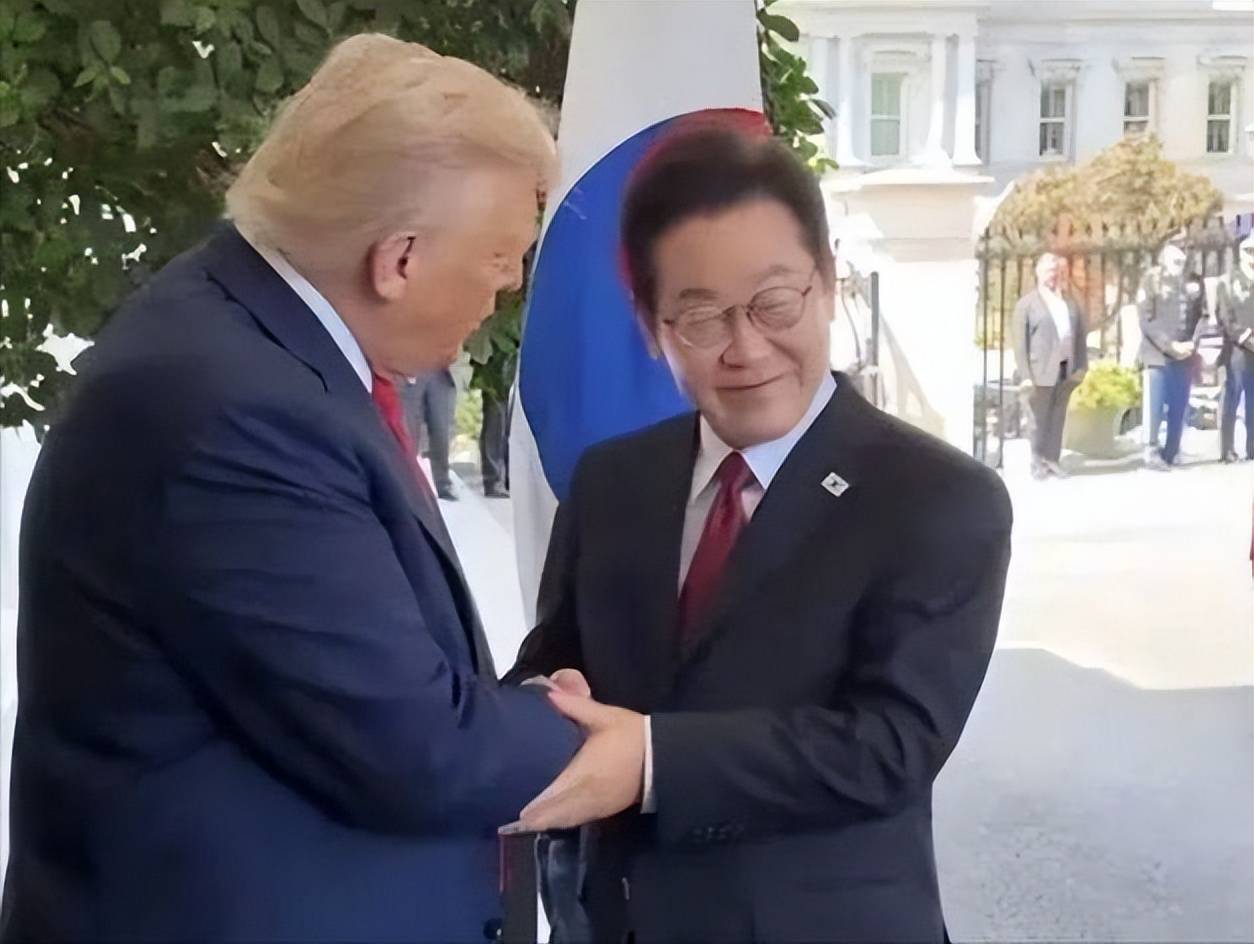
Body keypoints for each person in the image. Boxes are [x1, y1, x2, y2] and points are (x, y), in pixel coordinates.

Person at [0, 35, 582, 943]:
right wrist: (590, 731)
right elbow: (414, 746)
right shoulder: (234, 411)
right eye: (503, 257)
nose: (508, 287)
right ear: (398, 259)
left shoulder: (251, 345)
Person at [503, 125, 1013, 944]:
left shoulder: (939, 499)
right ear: (650, 325)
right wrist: (541, 704)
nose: (746, 348)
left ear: (828, 284)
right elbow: (555, 656)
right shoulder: (612, 481)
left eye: (775, 304)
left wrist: (653, 760)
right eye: (701, 317)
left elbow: (890, 746)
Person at [1011, 253, 1089, 479]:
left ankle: (1052, 459)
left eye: (1056, 271)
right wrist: (1026, 375)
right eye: (1048, 271)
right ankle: (1037, 460)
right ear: (1038, 273)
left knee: (1057, 416)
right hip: (1040, 370)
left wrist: (1082, 366)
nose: (1053, 275)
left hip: (1066, 368)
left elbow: (1079, 337)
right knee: (1038, 419)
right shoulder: (1027, 304)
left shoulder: (1069, 303)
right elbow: (1020, 344)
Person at [1138, 241, 1200, 470]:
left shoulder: (1194, 281)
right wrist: (1169, 345)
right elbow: (1146, 319)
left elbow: (1201, 315)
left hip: (1185, 353)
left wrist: (1193, 343)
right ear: (1164, 259)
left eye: (1184, 260)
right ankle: (1151, 451)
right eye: (1176, 260)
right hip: (1158, 354)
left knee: (1179, 404)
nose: (1181, 264)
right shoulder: (1151, 280)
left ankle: (1172, 451)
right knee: (1154, 404)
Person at [1218, 236, 1254, 463]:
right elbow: (1226, 317)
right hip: (1237, 350)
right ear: (1242, 253)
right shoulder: (1228, 282)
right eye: (1250, 251)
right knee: (1232, 397)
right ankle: (1227, 449)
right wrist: (1247, 337)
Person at [403, 367, 458, 500]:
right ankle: (407, 481)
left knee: (441, 429)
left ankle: (442, 482)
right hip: (411, 368)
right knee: (408, 429)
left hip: (442, 371)